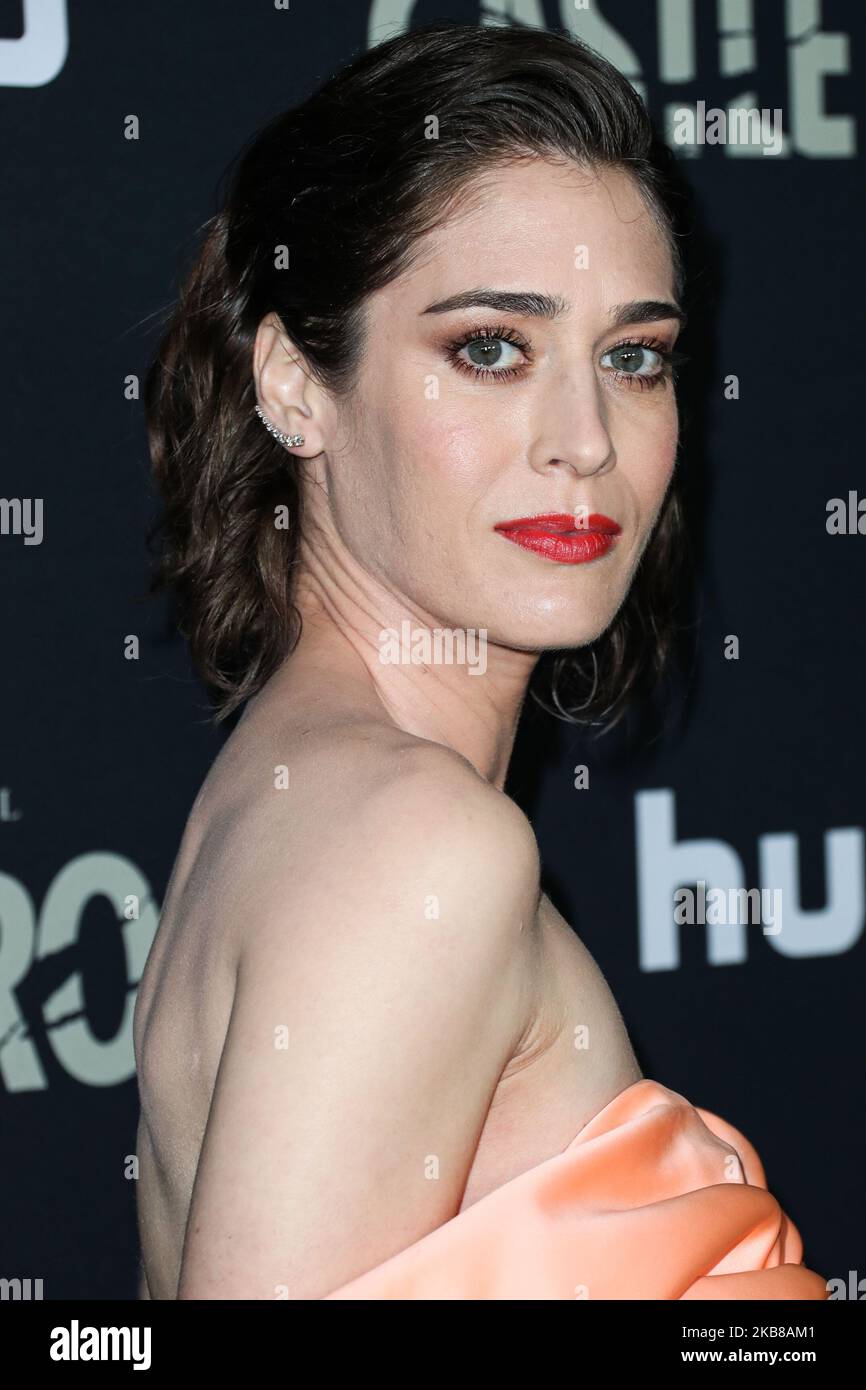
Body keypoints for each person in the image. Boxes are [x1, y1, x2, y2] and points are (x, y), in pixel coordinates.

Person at [133, 20, 826, 1301]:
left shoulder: (307, 785)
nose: (584, 440)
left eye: (633, 358)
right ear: (294, 381)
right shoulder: (417, 847)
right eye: (490, 348)